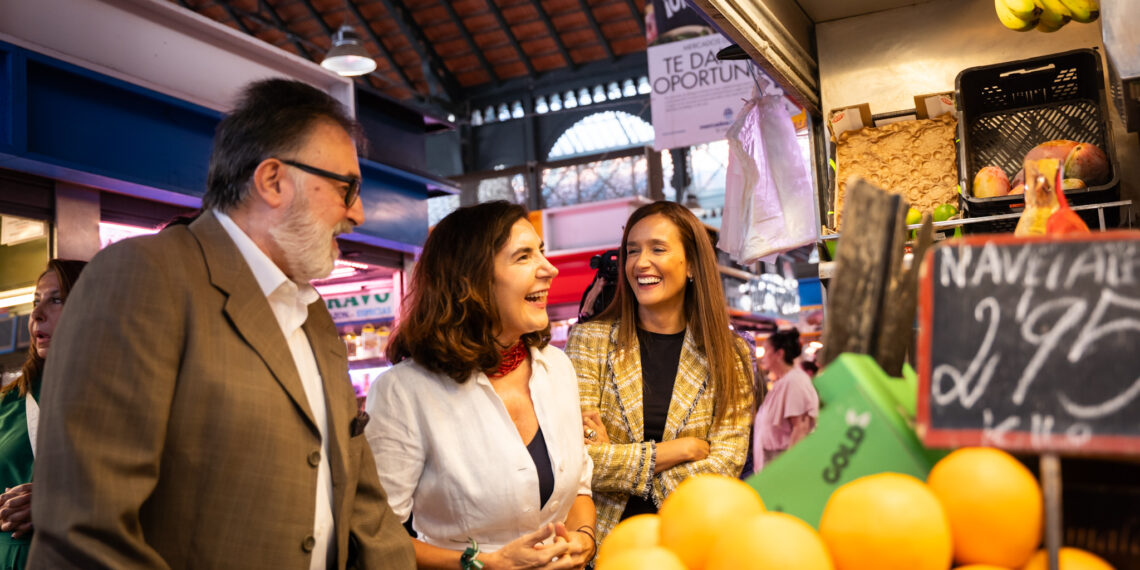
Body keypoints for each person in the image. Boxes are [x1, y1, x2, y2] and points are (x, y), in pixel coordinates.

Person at [28, 78, 414, 569]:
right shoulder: (145, 276)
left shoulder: (312, 314)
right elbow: (84, 532)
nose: (356, 212)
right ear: (273, 180)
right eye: (347, 187)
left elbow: (363, 506)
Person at [365, 201, 596, 570]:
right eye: (523, 257)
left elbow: (579, 489)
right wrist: (483, 563)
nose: (549, 269)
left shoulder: (558, 368)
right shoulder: (404, 392)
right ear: (470, 281)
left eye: (542, 251)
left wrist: (584, 539)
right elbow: (374, 534)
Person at [564, 201, 755, 546]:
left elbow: (726, 462)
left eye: (658, 249)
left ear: (693, 264)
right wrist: (681, 450)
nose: (641, 262)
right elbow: (578, 461)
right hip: (607, 547)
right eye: (632, 251)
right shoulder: (589, 341)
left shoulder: (729, 353)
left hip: (693, 543)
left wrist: (622, 461)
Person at [0, 260, 86, 569]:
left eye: (56, 300)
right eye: (36, 301)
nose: (36, 314)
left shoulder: (118, 398)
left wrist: (55, 502)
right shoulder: (9, 402)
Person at [752, 329, 819, 471]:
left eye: (766, 350)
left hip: (782, 466)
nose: (763, 356)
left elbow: (801, 428)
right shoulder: (783, 382)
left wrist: (788, 471)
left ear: (779, 354)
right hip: (771, 463)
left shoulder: (795, 381)